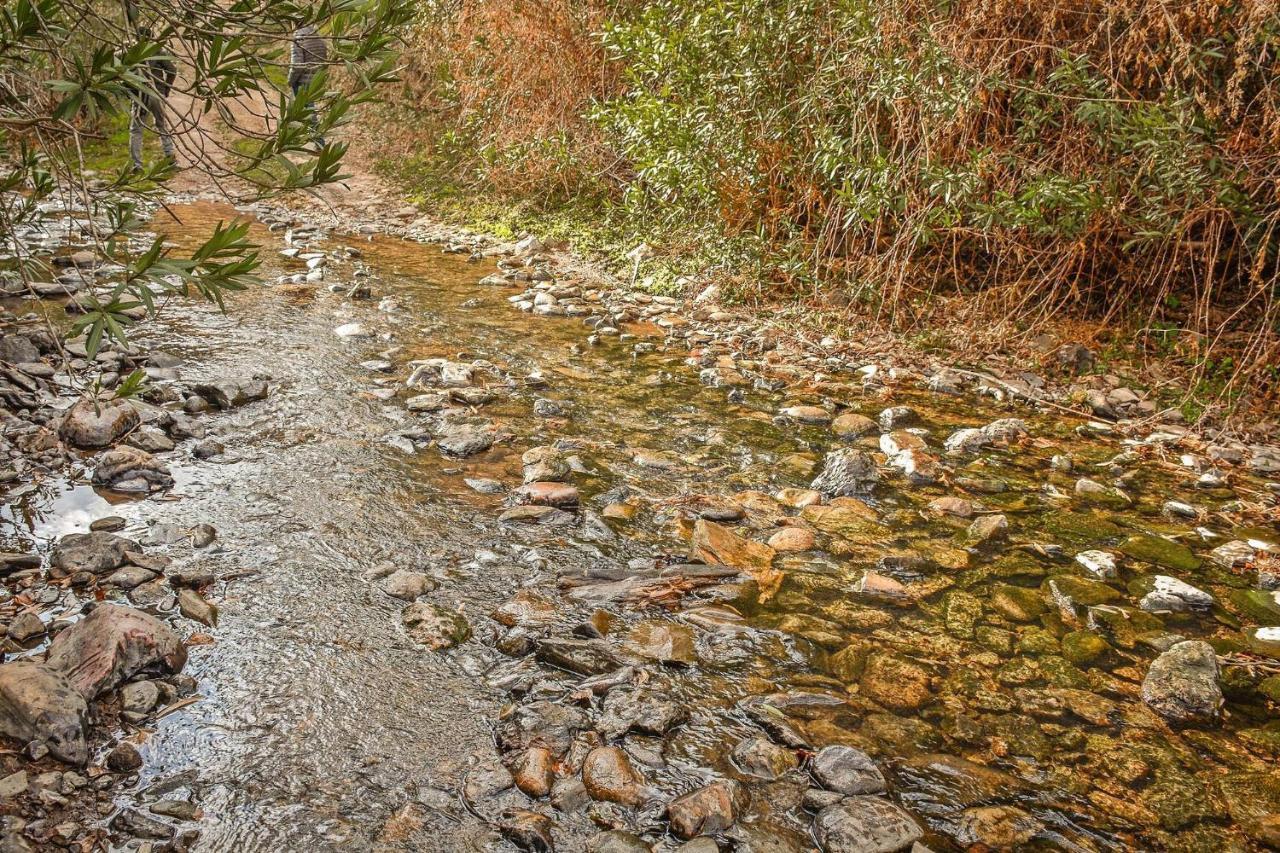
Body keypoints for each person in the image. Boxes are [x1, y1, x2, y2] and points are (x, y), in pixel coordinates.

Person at [127, 42, 177, 172]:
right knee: (162, 125)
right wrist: (166, 89)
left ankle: (137, 165)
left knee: (136, 130)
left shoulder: (132, 51)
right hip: (157, 93)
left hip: (140, 95)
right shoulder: (158, 51)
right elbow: (172, 70)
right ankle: (170, 158)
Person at [288, 23, 328, 148]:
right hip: (315, 80)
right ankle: (295, 139)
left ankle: (319, 143)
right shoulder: (316, 34)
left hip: (302, 81)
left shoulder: (299, 35)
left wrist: (290, 80)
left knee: (304, 112)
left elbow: (297, 64)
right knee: (306, 111)